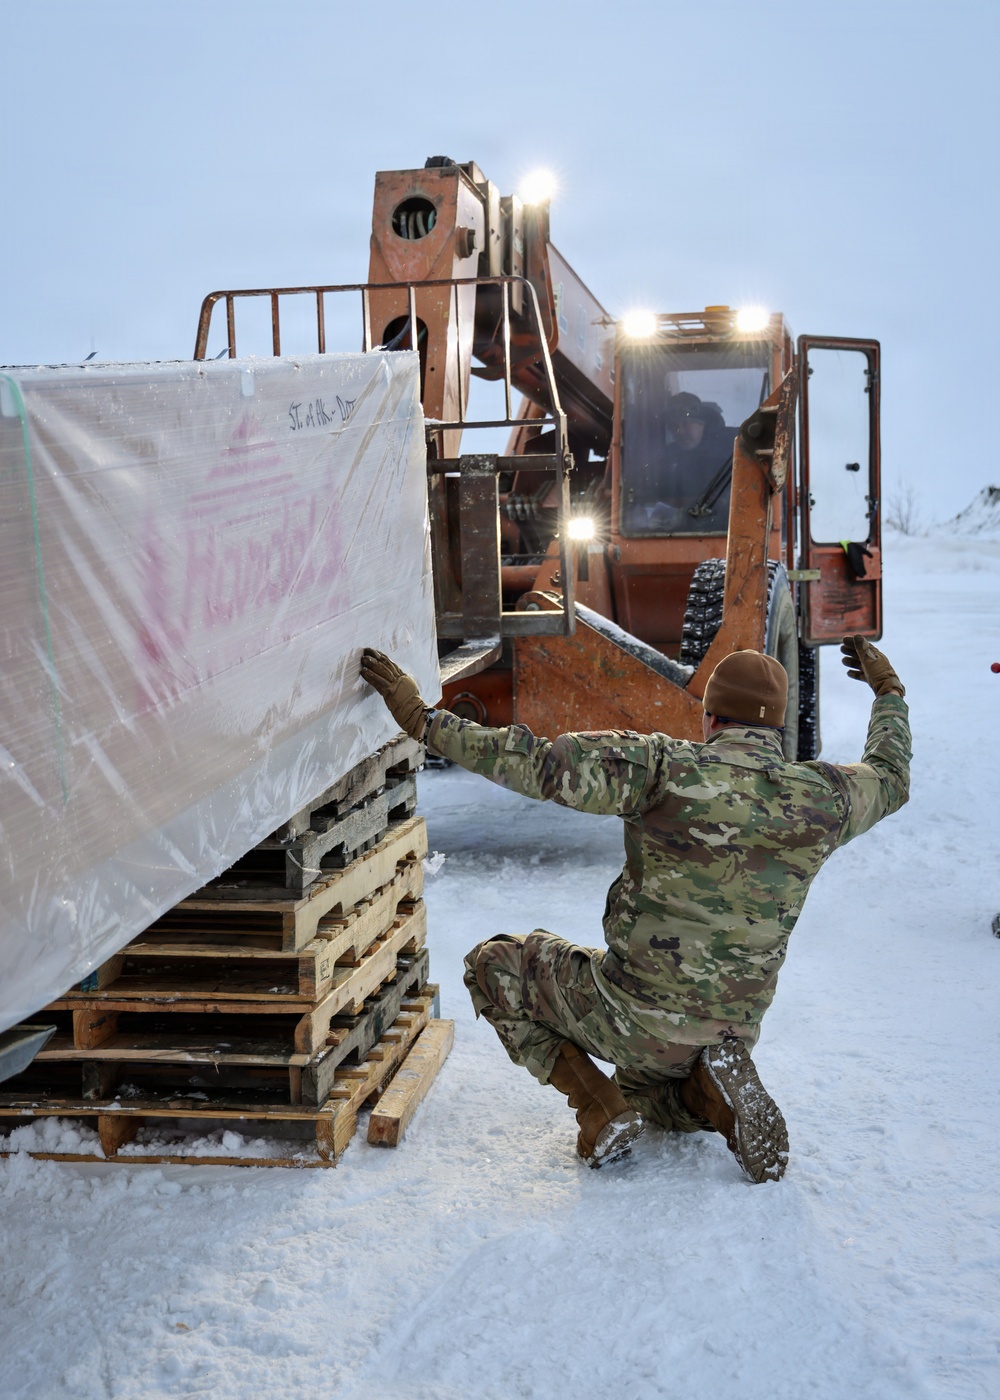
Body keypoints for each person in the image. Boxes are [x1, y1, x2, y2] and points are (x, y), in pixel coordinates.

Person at [360, 636, 910, 1181]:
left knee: (494, 965)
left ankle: (597, 1110)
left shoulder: (662, 768)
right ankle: (706, 1088)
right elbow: (890, 776)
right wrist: (888, 692)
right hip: (729, 1030)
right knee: (653, 1099)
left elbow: (534, 762)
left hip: (631, 1017)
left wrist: (423, 720)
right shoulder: (824, 797)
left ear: (711, 717)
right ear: (777, 727)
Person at [627, 391, 735, 532]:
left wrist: (689, 515)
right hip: (674, 536)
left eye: (686, 424)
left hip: (722, 534)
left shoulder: (728, 455)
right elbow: (640, 487)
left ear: (702, 424)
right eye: (674, 426)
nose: (680, 431)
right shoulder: (666, 458)